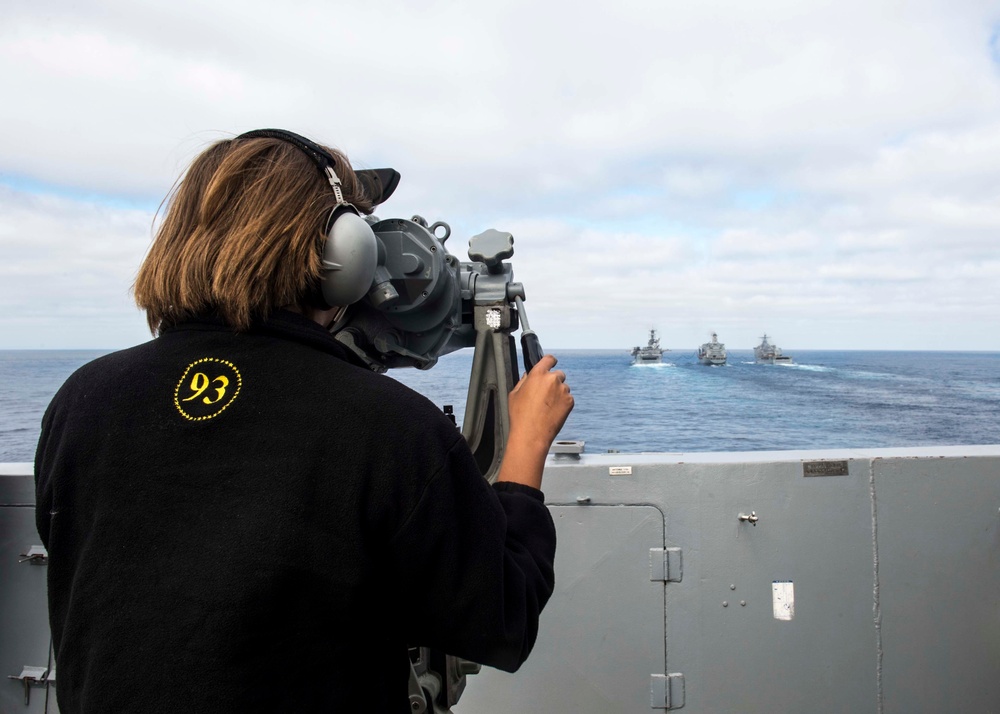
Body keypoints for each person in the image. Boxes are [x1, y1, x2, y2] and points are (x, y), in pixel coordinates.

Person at [34, 130, 574, 713]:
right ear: (344, 255)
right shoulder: (386, 427)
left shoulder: (81, 403)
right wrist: (525, 447)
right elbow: (502, 622)